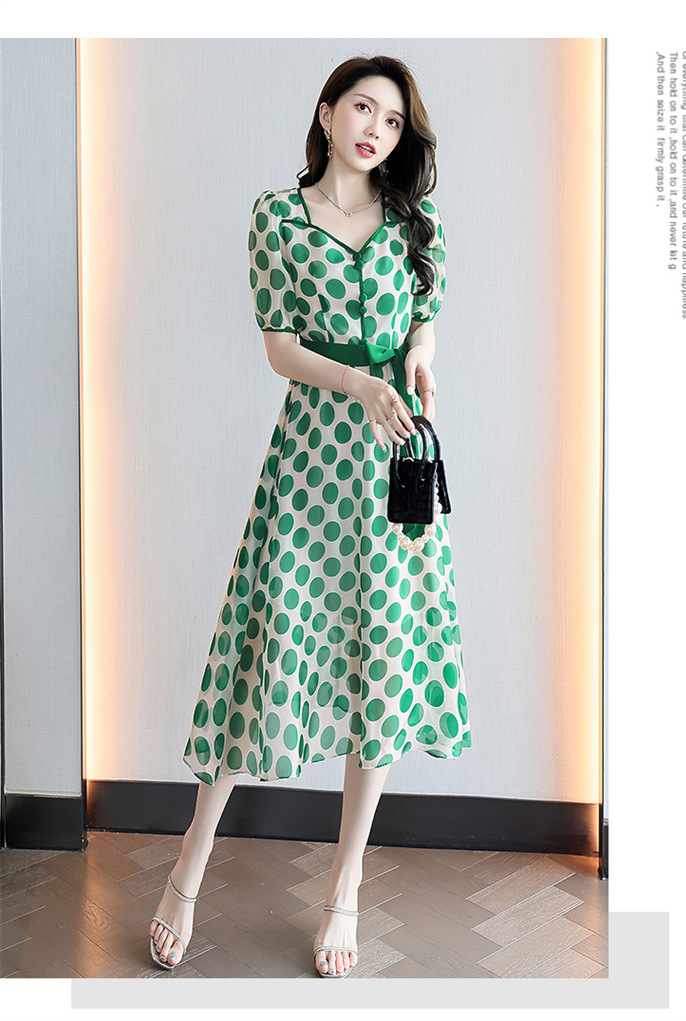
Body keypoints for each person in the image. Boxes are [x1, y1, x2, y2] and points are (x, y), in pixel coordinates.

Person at [149, 54, 471, 979]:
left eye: (393, 121)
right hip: (313, 457)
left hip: (394, 462)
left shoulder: (415, 224)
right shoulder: (278, 217)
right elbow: (280, 348)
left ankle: (346, 884)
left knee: (383, 655)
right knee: (265, 644)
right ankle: (188, 865)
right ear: (327, 113)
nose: (376, 129)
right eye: (363, 108)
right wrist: (358, 382)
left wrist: (419, 356)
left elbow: (424, 317)